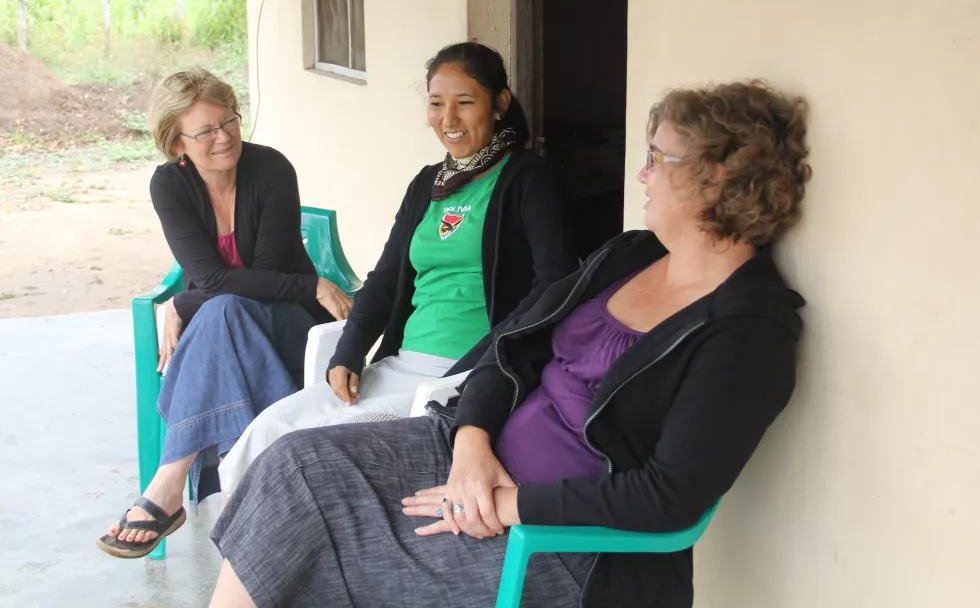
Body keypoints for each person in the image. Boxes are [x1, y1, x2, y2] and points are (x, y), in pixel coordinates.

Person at [207, 79, 812, 608]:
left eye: (658, 157)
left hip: (560, 544)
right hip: (472, 456)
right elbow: (512, 345)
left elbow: (667, 497)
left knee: (329, 539)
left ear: (720, 175)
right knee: (294, 465)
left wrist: (505, 504)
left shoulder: (748, 328)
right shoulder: (633, 254)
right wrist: (471, 445)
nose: (642, 173)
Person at [217, 42, 577, 496]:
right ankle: (245, 557)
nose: (448, 120)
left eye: (465, 103)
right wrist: (348, 351)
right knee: (267, 431)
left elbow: (554, 285)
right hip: (400, 363)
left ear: (500, 104)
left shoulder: (527, 180)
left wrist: (488, 358)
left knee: (309, 452)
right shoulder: (428, 183)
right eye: (436, 103)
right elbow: (385, 279)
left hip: (464, 374)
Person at [96, 68, 353, 559]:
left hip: (289, 324)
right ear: (178, 145)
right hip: (227, 331)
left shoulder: (271, 169)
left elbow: (261, 278)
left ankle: (167, 486)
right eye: (206, 131)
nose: (224, 137)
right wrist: (197, 296)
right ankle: (252, 504)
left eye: (229, 120)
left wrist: (184, 302)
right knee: (225, 313)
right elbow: (213, 282)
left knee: (226, 311)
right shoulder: (169, 186)